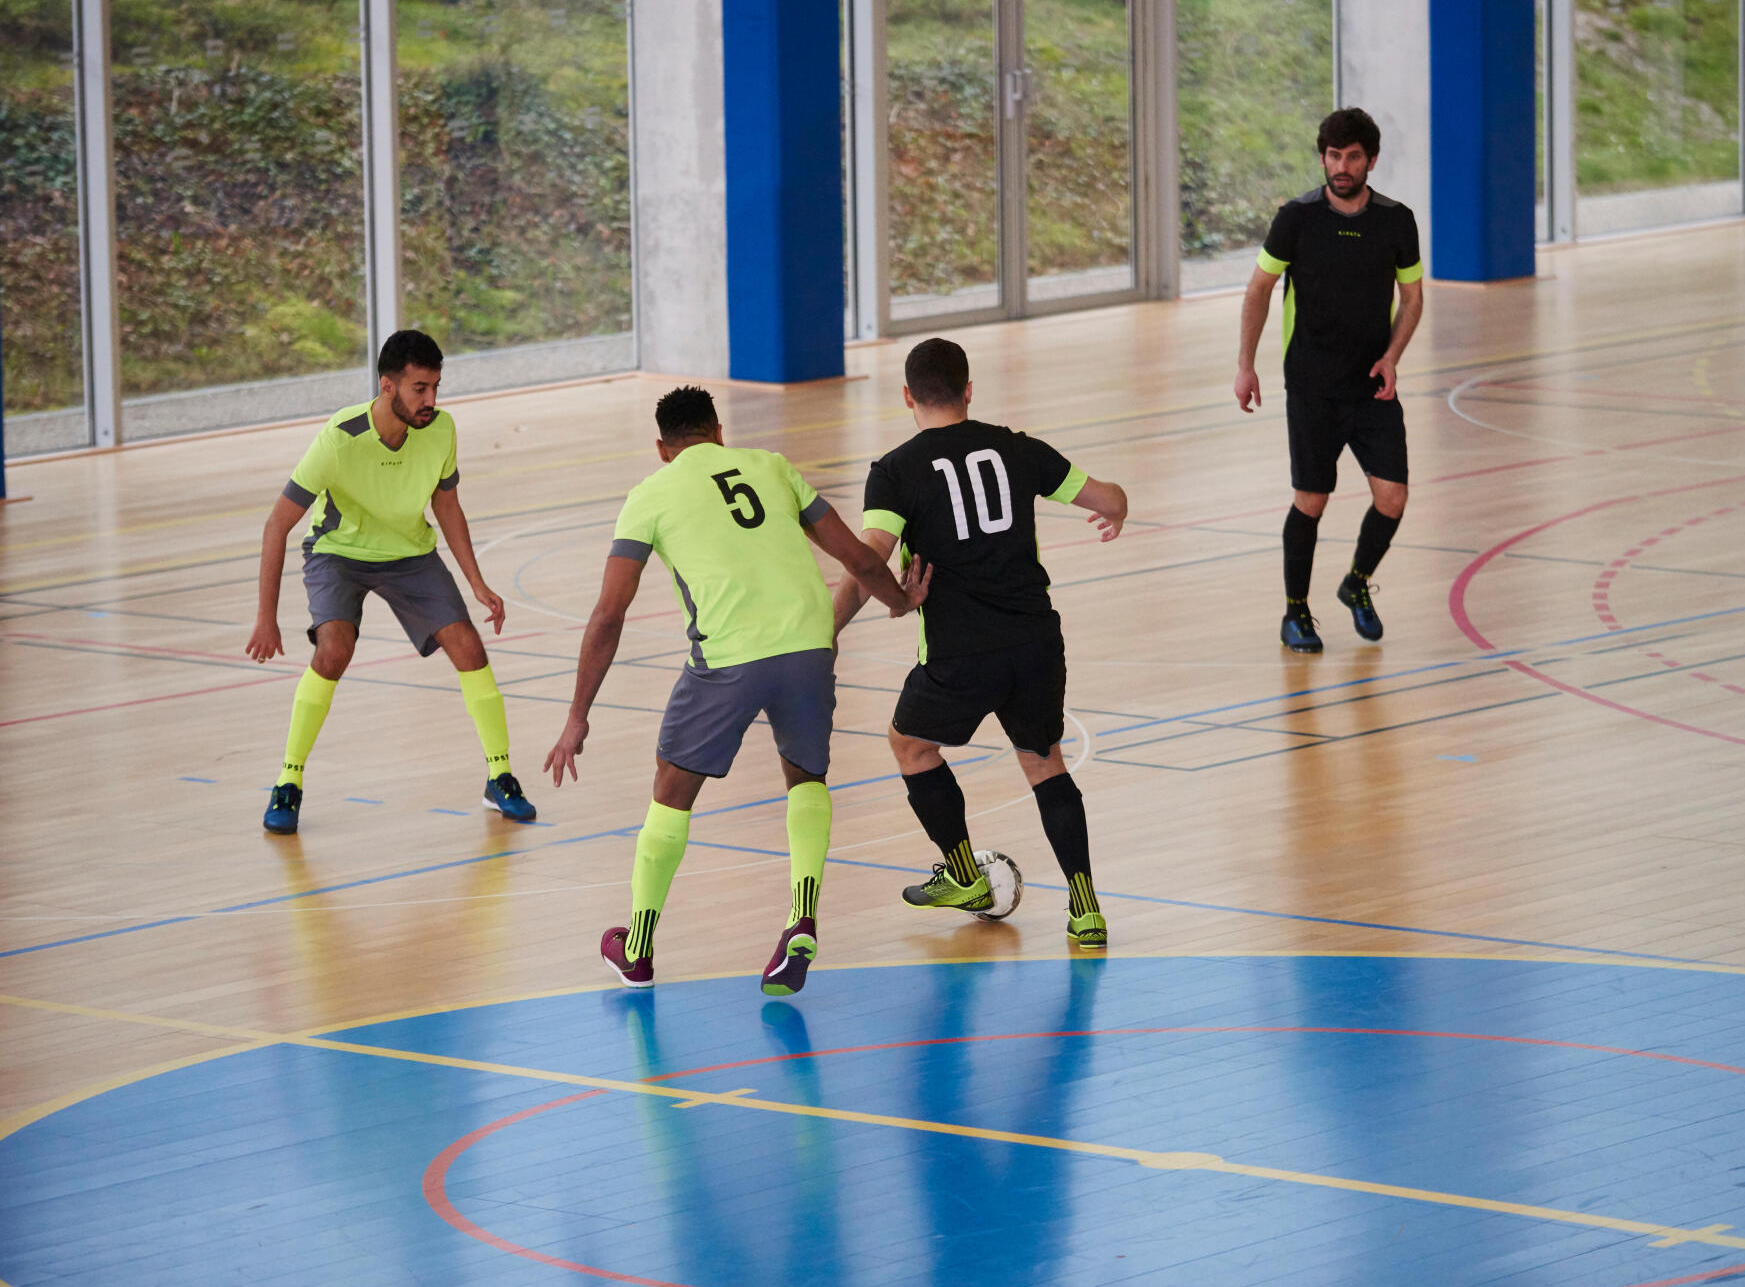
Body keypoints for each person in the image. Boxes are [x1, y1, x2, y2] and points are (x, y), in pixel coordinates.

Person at [543, 386, 928, 995]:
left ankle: (638, 949)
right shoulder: (772, 467)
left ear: (663, 449)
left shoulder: (650, 494)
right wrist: (902, 599)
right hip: (810, 644)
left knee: (671, 793)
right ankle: (801, 918)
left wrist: (577, 715)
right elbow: (856, 557)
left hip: (728, 659)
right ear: (718, 432)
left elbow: (609, 616)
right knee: (805, 780)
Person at [832, 338, 1127, 949]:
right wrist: (1115, 511)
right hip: (1035, 640)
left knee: (910, 746)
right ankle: (1087, 908)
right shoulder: (1019, 449)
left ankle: (965, 876)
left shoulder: (894, 471)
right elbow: (1108, 496)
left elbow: (869, 559)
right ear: (969, 391)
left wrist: (826, 632)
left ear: (908, 397)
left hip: (959, 649)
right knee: (1044, 760)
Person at [246, 329, 535, 832]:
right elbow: (277, 524)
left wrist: (477, 583)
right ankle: (288, 782)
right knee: (333, 650)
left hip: (410, 554)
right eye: (420, 388)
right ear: (388, 386)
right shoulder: (339, 438)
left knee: (469, 647)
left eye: (436, 387)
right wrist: (265, 618)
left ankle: (500, 776)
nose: (431, 400)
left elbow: (447, 504)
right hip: (339, 552)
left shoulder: (441, 430)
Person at [1233, 106, 1425, 653]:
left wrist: (1392, 356)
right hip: (1313, 386)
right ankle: (1295, 612)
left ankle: (1357, 584)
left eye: (1353, 157)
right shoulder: (1296, 218)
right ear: (1323, 157)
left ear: (1371, 161)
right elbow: (1258, 290)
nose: (1342, 166)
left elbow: (1412, 299)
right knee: (1311, 499)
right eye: (1334, 156)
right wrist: (1246, 365)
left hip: (1371, 384)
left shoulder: (1396, 221)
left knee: (1392, 496)